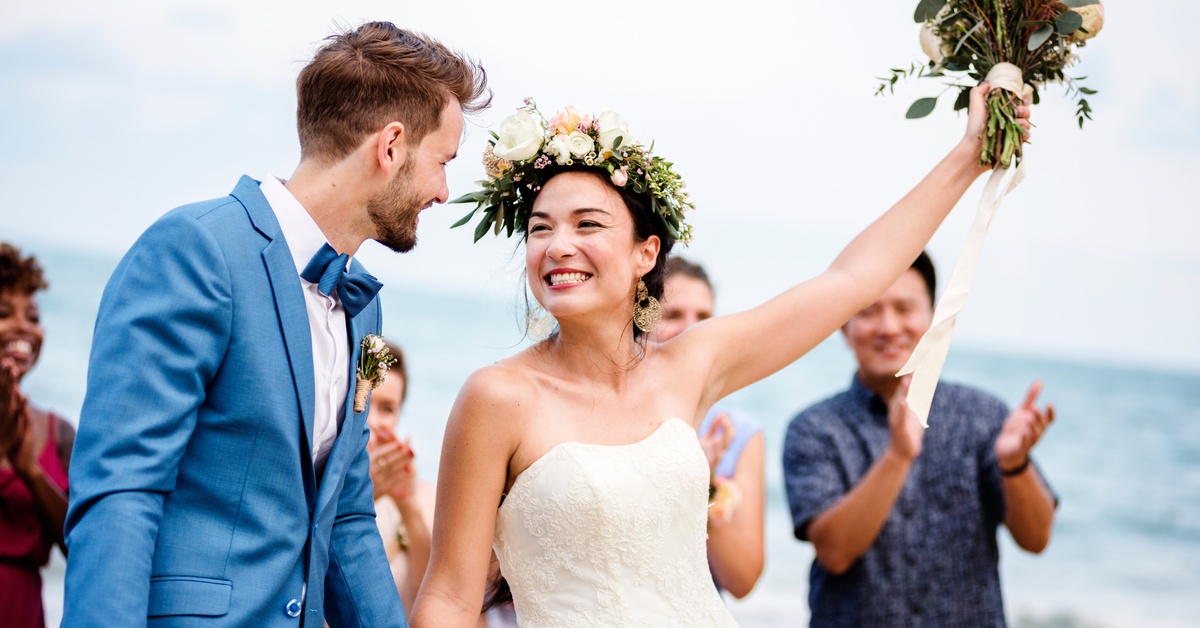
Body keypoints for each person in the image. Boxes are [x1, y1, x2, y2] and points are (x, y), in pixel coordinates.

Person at [411, 83, 1031, 627]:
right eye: (540, 227)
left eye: (587, 225)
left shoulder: (689, 366)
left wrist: (969, 156)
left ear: (645, 255)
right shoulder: (497, 398)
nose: (557, 246)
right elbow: (448, 598)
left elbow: (851, 281)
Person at [63, 22, 489, 626]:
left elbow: (345, 516)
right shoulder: (197, 251)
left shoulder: (364, 306)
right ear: (391, 146)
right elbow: (121, 492)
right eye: (442, 161)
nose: (444, 191)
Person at [782, 250, 1058, 627]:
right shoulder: (814, 428)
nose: (889, 327)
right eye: (868, 311)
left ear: (933, 319)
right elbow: (834, 553)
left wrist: (1014, 465)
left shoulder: (983, 414)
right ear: (843, 327)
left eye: (905, 308)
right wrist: (898, 456)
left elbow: (1037, 538)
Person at [648, 256, 764, 599]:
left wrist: (705, 482)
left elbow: (741, 581)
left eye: (703, 318)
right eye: (673, 315)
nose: (693, 330)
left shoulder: (737, 432)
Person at [0, 243, 75, 628]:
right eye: (3, 313)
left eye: (32, 315)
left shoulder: (58, 432)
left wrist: (29, 470)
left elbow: (82, 547)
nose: (23, 328)